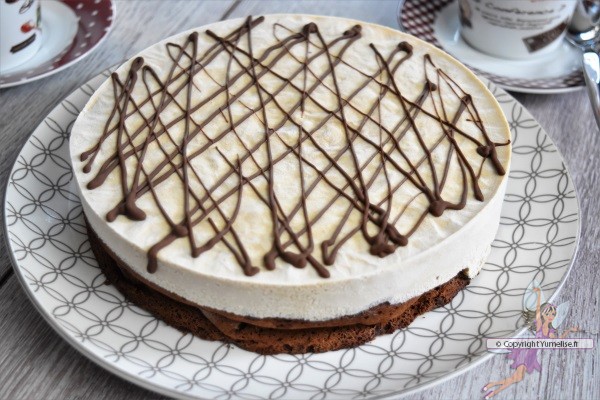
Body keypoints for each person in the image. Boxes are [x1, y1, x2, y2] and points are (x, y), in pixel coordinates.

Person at [481, 287, 578, 399]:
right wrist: (538, 296)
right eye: (549, 313)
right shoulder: (539, 325)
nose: (551, 316)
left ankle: (491, 387)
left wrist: (569, 331)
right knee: (517, 377)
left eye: (553, 314)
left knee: (517, 378)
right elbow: (538, 309)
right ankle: (491, 390)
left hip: (532, 354)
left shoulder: (551, 331)